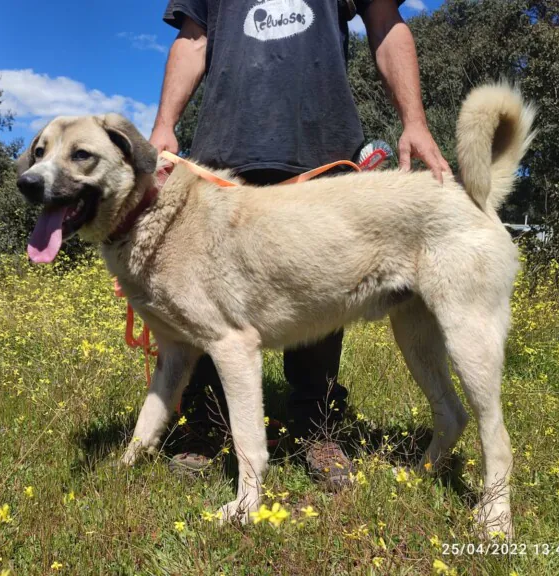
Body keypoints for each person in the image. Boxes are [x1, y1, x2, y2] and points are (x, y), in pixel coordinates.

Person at [148, 0, 450, 487]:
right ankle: (204, 425)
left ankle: (317, 426)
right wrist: (165, 124)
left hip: (320, 142)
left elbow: (385, 23)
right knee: (203, 295)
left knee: (320, 285)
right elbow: (193, 39)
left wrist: (414, 120)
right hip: (222, 152)